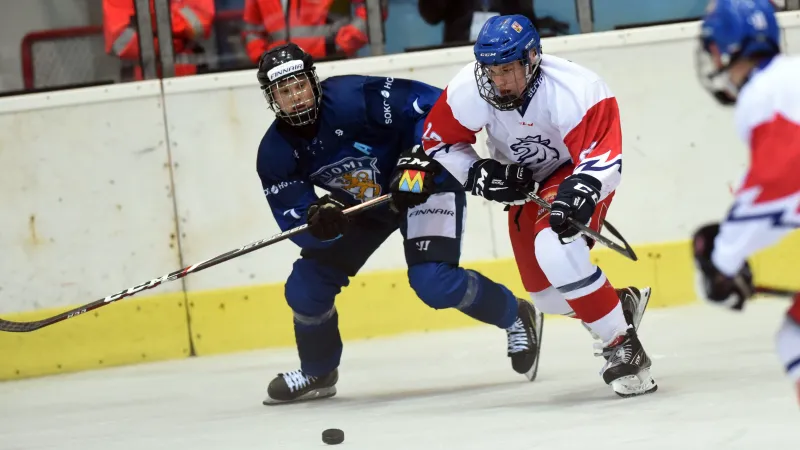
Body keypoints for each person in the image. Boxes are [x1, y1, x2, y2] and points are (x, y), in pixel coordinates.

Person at [255, 43, 543, 405]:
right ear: (272, 99)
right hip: (365, 206)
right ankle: (318, 370)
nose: (295, 97)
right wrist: (320, 220)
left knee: (434, 283)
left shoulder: (353, 97)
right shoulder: (275, 152)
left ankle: (515, 314)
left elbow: (436, 106)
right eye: (284, 91)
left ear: (314, 81)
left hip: (423, 186)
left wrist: (417, 158)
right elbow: (296, 217)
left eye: (300, 85)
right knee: (305, 287)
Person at [420, 14, 656, 398]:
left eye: (508, 69)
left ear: (532, 59)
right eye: (491, 70)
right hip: (521, 183)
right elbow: (439, 142)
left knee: (556, 250)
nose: (498, 81)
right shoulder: (469, 88)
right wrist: (479, 172)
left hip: (573, 172)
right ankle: (619, 304)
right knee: (546, 296)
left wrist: (579, 192)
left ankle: (624, 348)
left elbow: (603, 158)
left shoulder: (577, 89)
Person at [691, 0, 800, 406]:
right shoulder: (790, 76)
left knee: (795, 339)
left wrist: (724, 258)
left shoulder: (763, 93)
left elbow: (779, 184)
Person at [242, 0, 384, 64]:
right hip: (283, 71)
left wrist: (342, 42)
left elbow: (373, 8)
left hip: (334, 63)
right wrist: (262, 58)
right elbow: (252, 28)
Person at [103, 0, 215, 79]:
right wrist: (173, 36)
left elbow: (200, 22)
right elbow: (119, 41)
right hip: (139, 87)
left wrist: (148, 24)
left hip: (191, 81)